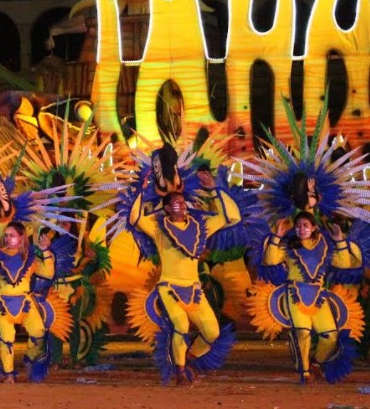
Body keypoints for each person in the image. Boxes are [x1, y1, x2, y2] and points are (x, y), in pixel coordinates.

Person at [125, 143, 240, 387]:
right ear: (166, 208)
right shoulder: (158, 227)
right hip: (169, 288)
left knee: (212, 333)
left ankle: (186, 357)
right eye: (174, 203)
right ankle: (179, 371)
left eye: (182, 202)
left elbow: (232, 217)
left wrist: (215, 189)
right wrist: (140, 189)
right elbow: (134, 218)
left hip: (194, 289)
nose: (180, 204)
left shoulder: (201, 227)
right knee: (181, 324)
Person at [254, 211, 362, 383]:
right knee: (303, 334)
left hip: (319, 295)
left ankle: (316, 363)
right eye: (298, 226)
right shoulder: (288, 246)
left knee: (331, 336)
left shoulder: (325, 246)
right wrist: (276, 237)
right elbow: (270, 261)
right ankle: (304, 372)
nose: (301, 229)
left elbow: (344, 263)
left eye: (305, 225)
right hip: (295, 294)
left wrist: (340, 240)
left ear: (314, 227)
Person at [0, 221, 65, 383]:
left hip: (25, 301)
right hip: (0, 302)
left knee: (39, 331)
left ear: (21, 238)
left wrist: (46, 250)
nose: (7, 238)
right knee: (7, 336)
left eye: (11, 235)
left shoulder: (30, 258)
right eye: (6, 235)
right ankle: (9, 374)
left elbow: (48, 273)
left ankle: (30, 359)